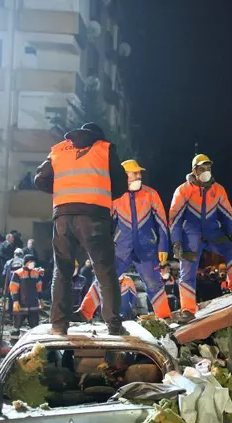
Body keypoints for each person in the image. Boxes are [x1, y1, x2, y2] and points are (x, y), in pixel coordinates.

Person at [34, 122, 128, 335]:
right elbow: (121, 183)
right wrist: (103, 195)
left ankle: (58, 325)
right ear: (99, 136)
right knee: (104, 271)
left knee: (62, 271)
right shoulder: (104, 148)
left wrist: (63, 192)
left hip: (63, 216)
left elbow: (39, 178)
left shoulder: (59, 149)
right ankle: (113, 325)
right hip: (94, 216)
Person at [75, 159, 172, 322]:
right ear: (124, 176)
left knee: (154, 284)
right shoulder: (115, 196)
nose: (139, 176)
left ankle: (165, 316)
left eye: (139, 173)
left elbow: (162, 222)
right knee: (104, 278)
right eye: (134, 173)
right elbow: (105, 224)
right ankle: (84, 312)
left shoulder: (151, 194)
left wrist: (163, 246)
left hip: (146, 248)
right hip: (121, 249)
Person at [168, 154, 232, 324]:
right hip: (190, 236)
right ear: (194, 171)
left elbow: (227, 213)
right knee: (187, 272)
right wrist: (176, 242)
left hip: (213, 234)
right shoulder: (183, 190)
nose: (206, 171)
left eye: (208, 168)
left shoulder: (218, 190)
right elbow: (175, 218)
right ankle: (188, 310)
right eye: (202, 168)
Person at [9, 255, 43, 336]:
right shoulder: (18, 273)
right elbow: (13, 288)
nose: (33, 263)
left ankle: (34, 342)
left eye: (33, 262)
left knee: (35, 327)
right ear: (26, 263)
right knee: (16, 325)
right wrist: (15, 301)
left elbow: (39, 287)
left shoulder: (36, 273)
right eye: (31, 262)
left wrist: (41, 300)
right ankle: (14, 340)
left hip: (33, 304)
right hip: (21, 304)